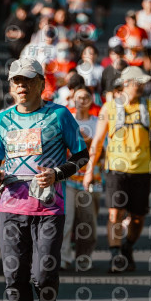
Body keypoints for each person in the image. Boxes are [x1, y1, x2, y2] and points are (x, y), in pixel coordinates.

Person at [0, 58, 89, 301]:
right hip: (12, 205)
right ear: (10, 86)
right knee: (14, 273)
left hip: (49, 206)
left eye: (28, 80)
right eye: (16, 81)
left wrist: (57, 173)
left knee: (44, 272)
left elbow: (81, 155)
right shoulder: (3, 120)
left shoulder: (59, 115)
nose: (22, 86)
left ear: (41, 83)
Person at [83, 66, 151, 273]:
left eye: (143, 83)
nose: (141, 86)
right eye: (138, 83)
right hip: (116, 169)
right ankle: (116, 256)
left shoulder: (150, 107)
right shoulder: (109, 108)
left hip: (142, 169)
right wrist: (89, 170)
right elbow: (97, 142)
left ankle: (127, 247)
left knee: (138, 217)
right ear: (126, 84)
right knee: (115, 213)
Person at [60, 86, 101, 270]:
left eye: (86, 97)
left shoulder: (97, 122)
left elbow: (103, 150)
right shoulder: (67, 120)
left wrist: (87, 141)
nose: (82, 101)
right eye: (79, 97)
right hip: (68, 179)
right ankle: (63, 258)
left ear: (91, 101)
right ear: (73, 100)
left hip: (91, 179)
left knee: (87, 223)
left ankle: (84, 257)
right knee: (66, 221)